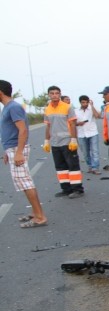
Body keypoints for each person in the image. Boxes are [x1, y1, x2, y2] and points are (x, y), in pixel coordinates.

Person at [0, 80, 48, 228]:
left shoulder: (13, 107)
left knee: (26, 183)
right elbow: (12, 130)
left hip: (17, 149)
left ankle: (40, 217)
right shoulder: (8, 108)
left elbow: (23, 130)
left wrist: (19, 152)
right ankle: (35, 212)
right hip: (13, 148)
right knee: (24, 183)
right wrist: (8, 151)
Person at [43, 85, 84, 198]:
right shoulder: (47, 109)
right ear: (49, 95)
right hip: (55, 143)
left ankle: (77, 189)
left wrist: (73, 139)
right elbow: (48, 126)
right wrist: (47, 141)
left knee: (73, 166)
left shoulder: (67, 107)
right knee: (60, 168)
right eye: (52, 93)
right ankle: (66, 189)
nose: (55, 95)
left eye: (57, 93)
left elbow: (72, 124)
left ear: (60, 95)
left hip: (67, 141)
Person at [75, 95, 101, 175]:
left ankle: (95, 167)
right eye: (83, 102)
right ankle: (90, 165)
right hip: (81, 134)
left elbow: (97, 116)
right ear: (80, 102)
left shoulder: (92, 109)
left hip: (93, 133)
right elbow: (72, 123)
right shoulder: (75, 111)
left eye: (86, 102)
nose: (85, 104)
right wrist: (78, 123)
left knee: (95, 151)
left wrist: (92, 105)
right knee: (85, 153)